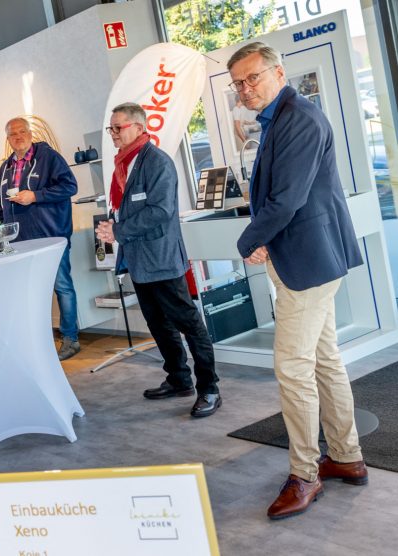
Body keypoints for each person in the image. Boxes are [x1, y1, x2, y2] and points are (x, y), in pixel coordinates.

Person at [228, 42, 367, 520]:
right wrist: (265, 234)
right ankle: (346, 458)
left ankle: (305, 474)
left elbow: (286, 200)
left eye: (253, 78)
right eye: (239, 83)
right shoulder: (276, 118)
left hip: (308, 262)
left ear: (277, 71)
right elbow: (281, 196)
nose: (246, 89)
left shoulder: (299, 118)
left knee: (292, 368)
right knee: (324, 361)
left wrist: (249, 240)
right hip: (304, 257)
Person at [95, 103, 221, 418]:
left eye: (118, 127)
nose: (113, 134)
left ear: (139, 127)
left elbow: (160, 211)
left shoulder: (157, 162)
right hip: (138, 260)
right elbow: (129, 208)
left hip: (162, 259)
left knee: (188, 323)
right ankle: (179, 379)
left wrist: (118, 230)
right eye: (111, 128)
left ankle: (209, 388)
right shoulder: (124, 164)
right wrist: (114, 228)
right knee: (158, 324)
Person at [0, 117, 80, 360]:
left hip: (51, 237)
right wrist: (2, 230)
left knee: (62, 286)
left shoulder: (48, 158)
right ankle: (38, 339)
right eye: (13, 134)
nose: (18, 136)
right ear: (8, 139)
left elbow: (70, 187)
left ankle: (70, 339)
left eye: (22, 131)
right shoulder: (5, 168)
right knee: (31, 291)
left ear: (30, 133)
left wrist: (36, 196)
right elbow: (2, 205)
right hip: (20, 242)